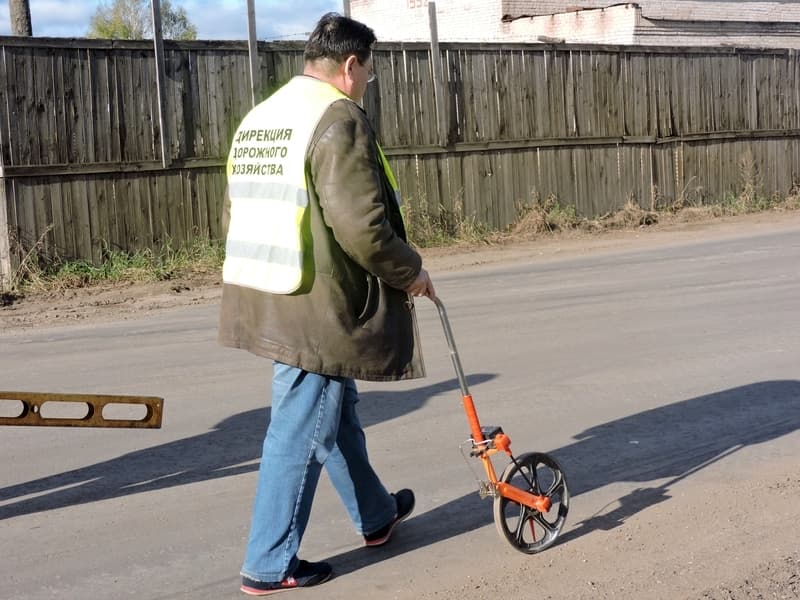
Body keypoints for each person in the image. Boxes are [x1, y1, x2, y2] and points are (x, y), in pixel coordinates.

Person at [218, 12, 436, 596]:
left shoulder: (265, 115)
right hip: (316, 304)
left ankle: (376, 514)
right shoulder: (337, 118)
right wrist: (411, 271)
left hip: (271, 289)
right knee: (299, 427)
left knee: (332, 415)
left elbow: (237, 209)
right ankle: (268, 563)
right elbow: (362, 228)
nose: (367, 83)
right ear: (350, 65)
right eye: (368, 72)